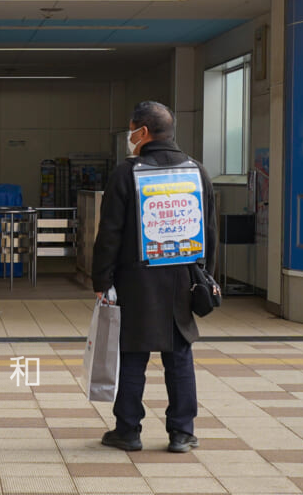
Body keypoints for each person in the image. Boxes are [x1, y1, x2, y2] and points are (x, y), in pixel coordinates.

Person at [92, 101, 217, 454]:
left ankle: (127, 430)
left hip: (136, 282)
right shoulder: (196, 172)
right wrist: (207, 277)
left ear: (142, 132)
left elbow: (110, 234)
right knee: (179, 357)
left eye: (132, 129)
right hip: (183, 279)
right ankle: (181, 432)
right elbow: (209, 231)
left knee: (133, 356)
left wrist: (102, 280)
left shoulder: (126, 173)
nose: (130, 137)